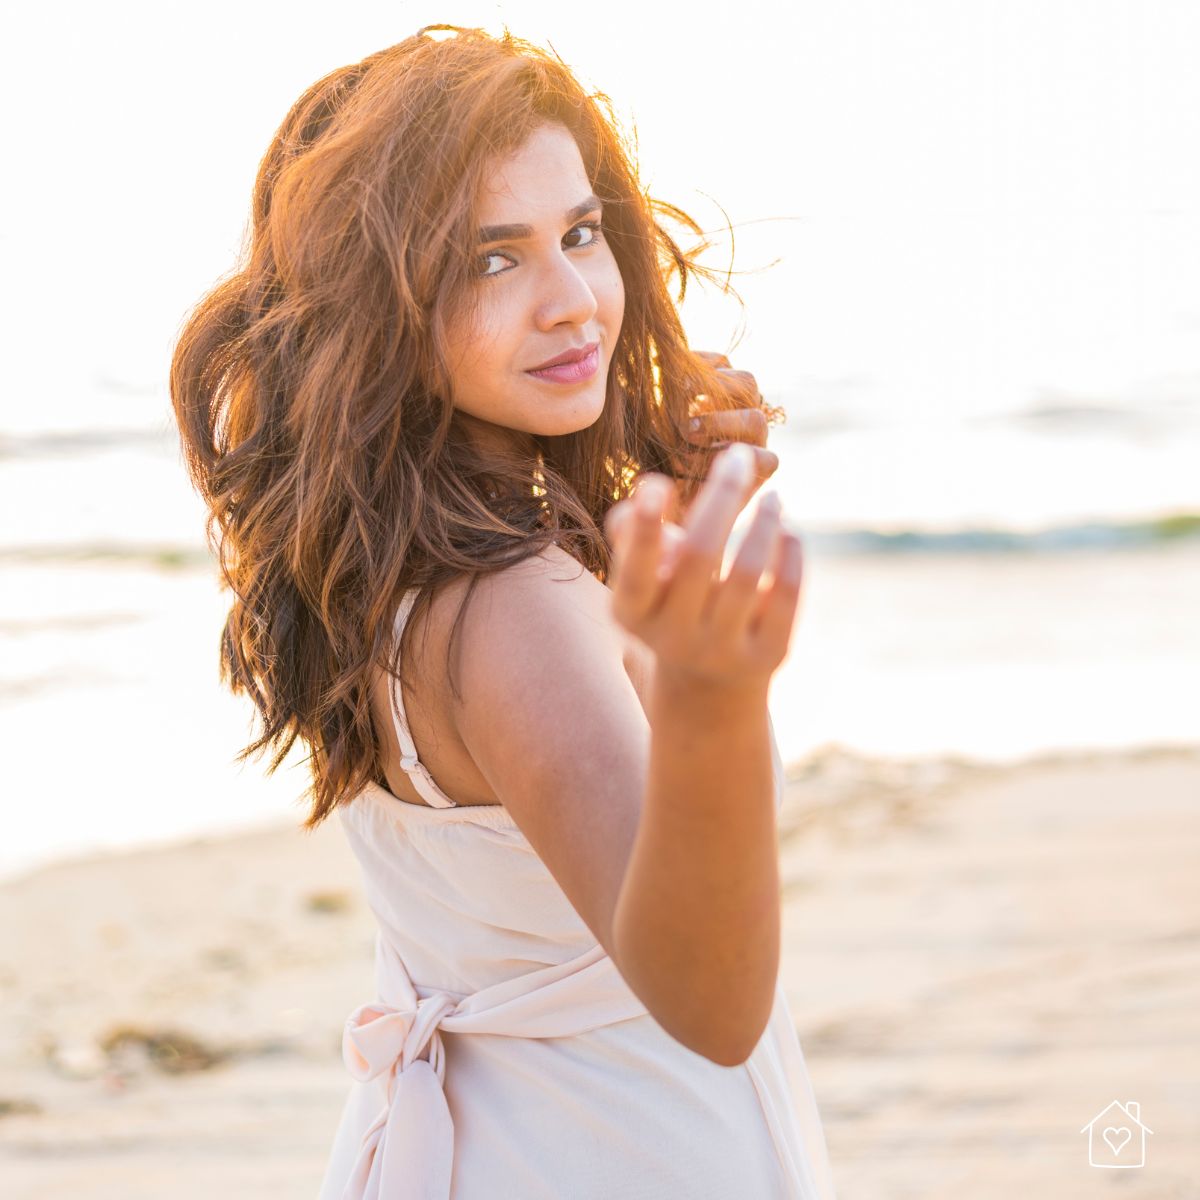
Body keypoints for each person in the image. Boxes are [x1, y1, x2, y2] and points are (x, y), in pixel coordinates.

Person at [170, 23, 838, 1200]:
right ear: (379, 306)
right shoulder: (513, 603)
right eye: (492, 261)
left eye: (580, 234)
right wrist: (710, 695)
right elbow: (711, 1003)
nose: (575, 300)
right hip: (624, 1153)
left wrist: (652, 497)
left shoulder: (387, 571)